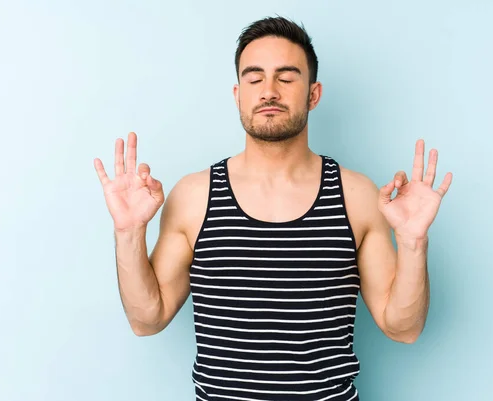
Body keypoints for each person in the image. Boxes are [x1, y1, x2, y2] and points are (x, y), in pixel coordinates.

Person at [94, 16, 452, 401]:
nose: (269, 91)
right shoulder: (194, 196)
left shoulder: (356, 195)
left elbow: (404, 328)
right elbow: (147, 320)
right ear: (237, 94)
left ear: (313, 94)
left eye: (286, 77)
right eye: (254, 78)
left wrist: (413, 243)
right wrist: (129, 233)